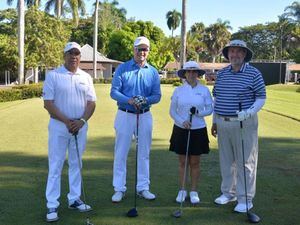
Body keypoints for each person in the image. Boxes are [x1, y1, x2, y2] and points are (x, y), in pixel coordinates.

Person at [43, 42, 97, 222]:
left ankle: (74, 199)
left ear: (80, 57)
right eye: (70, 53)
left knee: (76, 163)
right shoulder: (54, 76)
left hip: (80, 125)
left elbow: (91, 103)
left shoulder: (86, 77)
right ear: (64, 55)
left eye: (77, 53)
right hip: (60, 126)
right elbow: (48, 103)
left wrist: (81, 121)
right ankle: (52, 204)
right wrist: (67, 121)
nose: (74, 56)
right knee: (56, 165)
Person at [211, 40, 266, 213]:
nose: (235, 55)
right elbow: (217, 99)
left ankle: (246, 198)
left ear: (244, 54)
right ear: (227, 54)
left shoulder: (253, 73)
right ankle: (229, 193)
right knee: (226, 161)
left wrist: (249, 112)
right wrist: (214, 121)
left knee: (246, 162)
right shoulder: (222, 74)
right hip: (223, 122)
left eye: (239, 52)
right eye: (231, 51)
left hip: (244, 122)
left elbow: (261, 97)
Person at [110, 36, 161, 203]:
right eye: (139, 49)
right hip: (125, 113)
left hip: (145, 115)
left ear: (148, 51)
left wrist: (145, 100)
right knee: (121, 152)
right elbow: (114, 92)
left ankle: (143, 188)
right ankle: (119, 188)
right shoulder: (122, 68)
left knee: (144, 153)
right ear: (134, 50)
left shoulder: (153, 71)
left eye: (145, 49)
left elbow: (157, 95)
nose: (142, 52)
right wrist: (129, 100)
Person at [169, 61, 213, 204]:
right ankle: (182, 190)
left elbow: (210, 109)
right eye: (189, 72)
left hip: (198, 129)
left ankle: (193, 191)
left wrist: (199, 113)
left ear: (198, 74)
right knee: (183, 162)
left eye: (195, 72)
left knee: (195, 162)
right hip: (181, 129)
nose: (192, 74)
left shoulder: (204, 90)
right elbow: (172, 111)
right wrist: (183, 121)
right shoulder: (178, 91)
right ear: (185, 74)